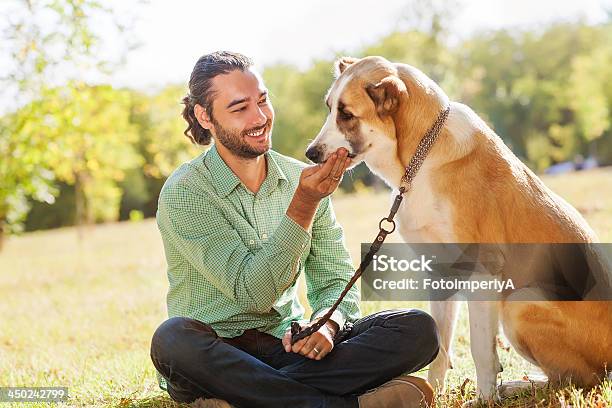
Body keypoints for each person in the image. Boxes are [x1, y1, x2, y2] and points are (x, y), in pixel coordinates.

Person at [150, 51, 440, 408]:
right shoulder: (187, 192)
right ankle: (343, 404)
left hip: (287, 349)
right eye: (239, 109)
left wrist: (326, 324)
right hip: (216, 354)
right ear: (204, 117)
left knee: (417, 330)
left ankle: (246, 399)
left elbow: (334, 279)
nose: (259, 118)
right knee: (173, 340)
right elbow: (252, 293)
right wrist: (303, 204)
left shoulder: (300, 177)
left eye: (262, 101)